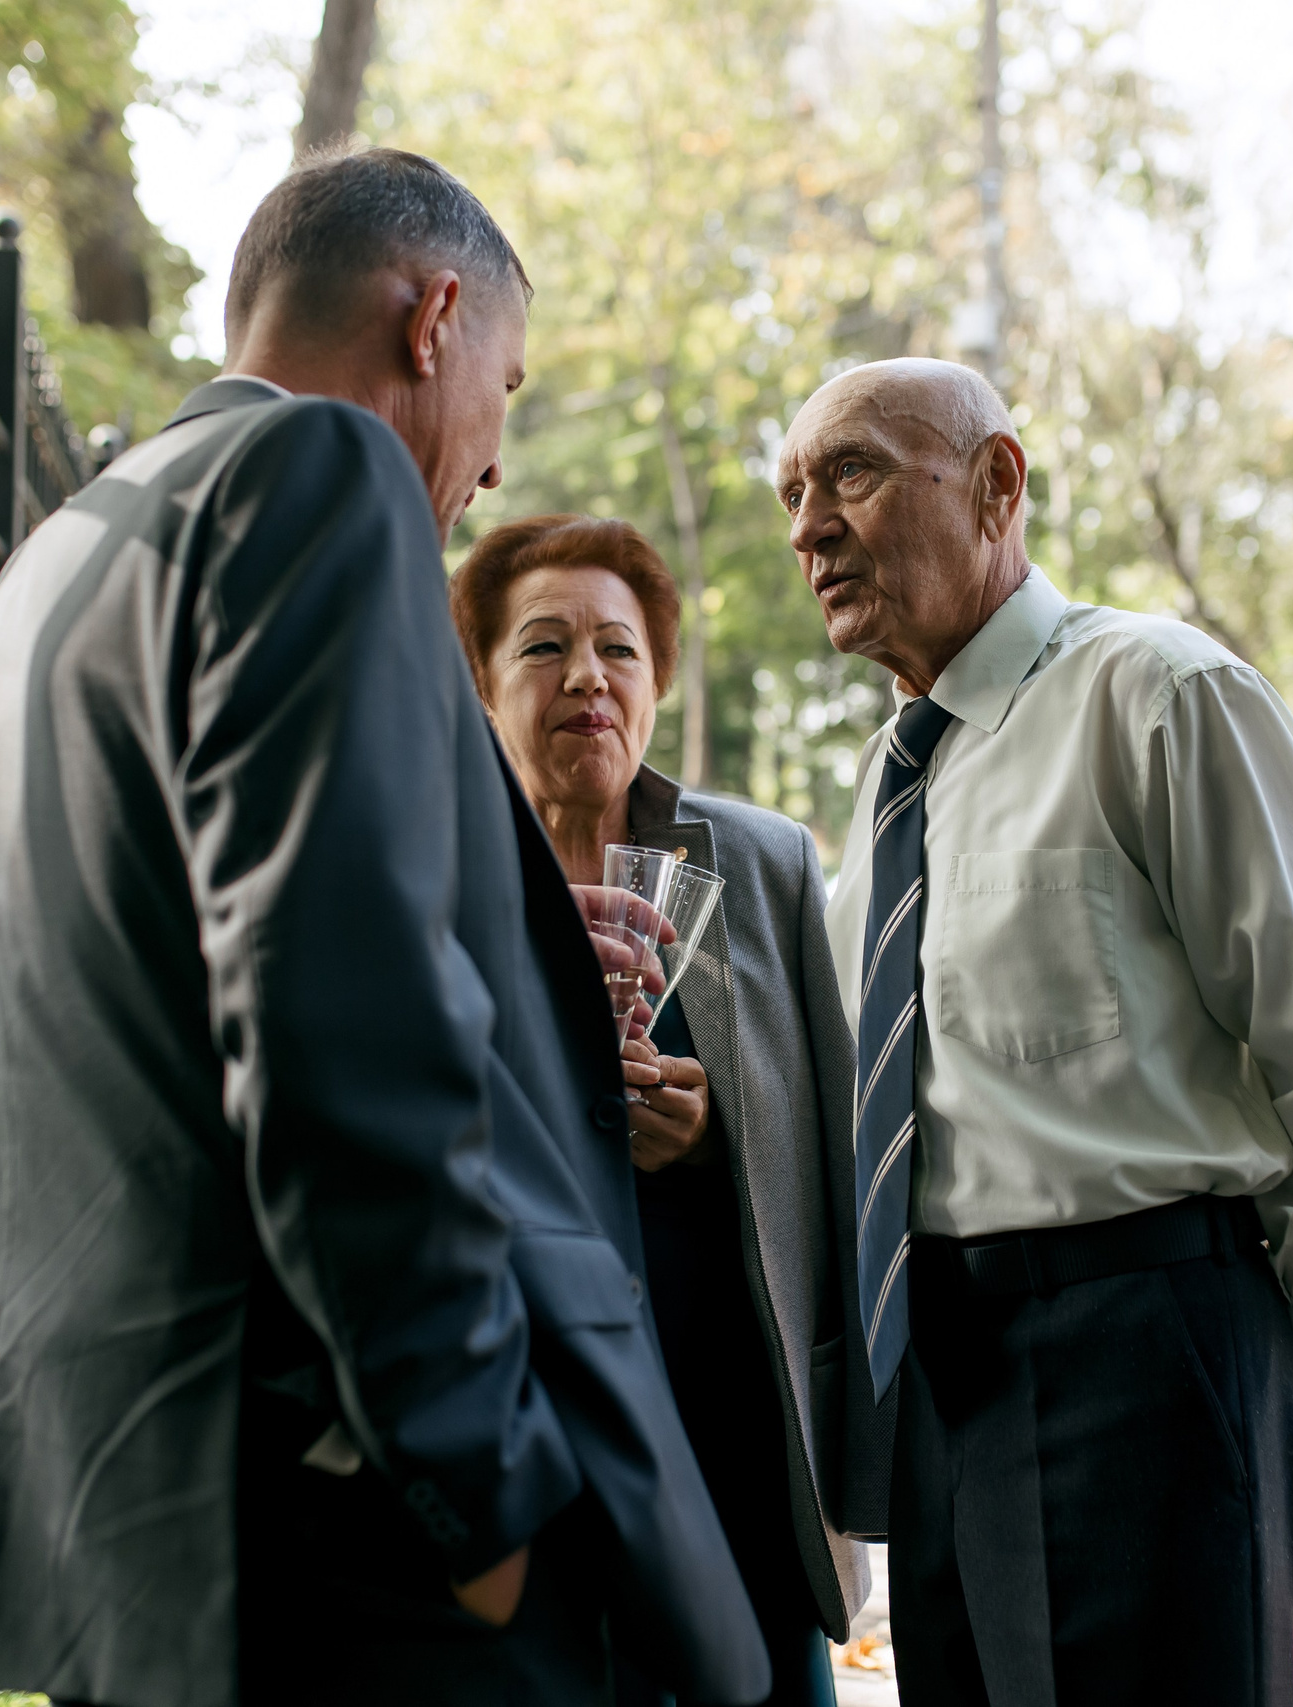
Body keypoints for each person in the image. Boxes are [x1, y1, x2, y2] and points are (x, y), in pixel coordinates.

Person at [0, 151, 767, 1707]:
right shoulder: (321, 472)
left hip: (115, 1513)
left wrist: (509, 940)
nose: (492, 462)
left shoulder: (65, 550)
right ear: (432, 319)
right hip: (340, 1526)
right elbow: (335, 1018)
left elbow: (181, 947)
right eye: (503, 383)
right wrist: (477, 1487)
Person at [775, 357, 1293, 1707]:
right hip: (938, 1386)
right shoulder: (898, 773)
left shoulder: (1160, 694)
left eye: (853, 473)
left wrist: (1283, 1382)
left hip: (1144, 1360)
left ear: (997, 484)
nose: (810, 528)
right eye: (793, 495)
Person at [451, 513, 880, 1707]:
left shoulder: (761, 862)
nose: (586, 676)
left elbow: (827, 1138)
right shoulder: (435, 871)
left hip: (723, 1418)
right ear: (480, 681)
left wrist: (708, 1143)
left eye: (618, 649)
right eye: (543, 646)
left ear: (656, 681)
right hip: (523, 1416)